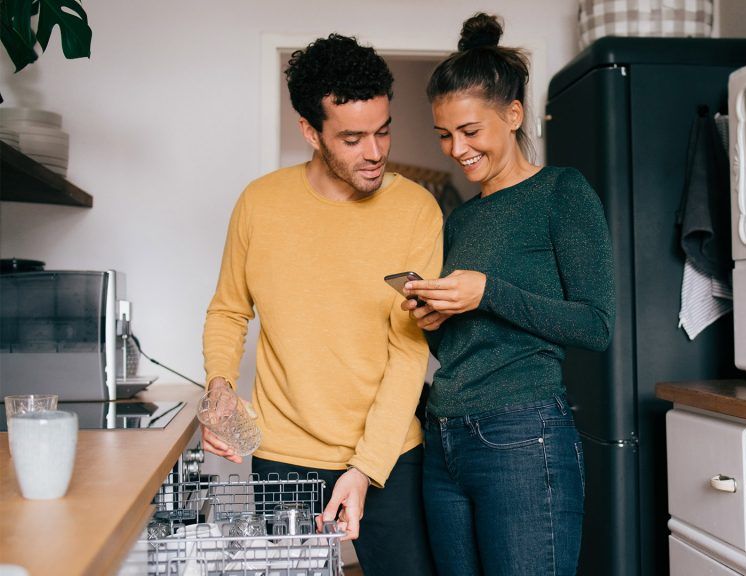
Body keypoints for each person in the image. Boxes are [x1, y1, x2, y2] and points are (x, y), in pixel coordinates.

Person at [201, 33, 440, 576]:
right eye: (352, 138)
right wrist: (219, 386)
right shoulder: (260, 204)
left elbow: (408, 354)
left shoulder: (416, 210)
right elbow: (228, 310)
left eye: (383, 131)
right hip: (284, 458)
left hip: (392, 457)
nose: (375, 152)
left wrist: (365, 468)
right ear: (310, 131)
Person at [402, 13, 615, 576]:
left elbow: (596, 325)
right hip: (442, 436)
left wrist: (488, 291)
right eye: (444, 135)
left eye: (470, 131)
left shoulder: (561, 193)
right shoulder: (460, 220)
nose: (456, 149)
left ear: (513, 115)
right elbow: (467, 344)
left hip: (522, 436)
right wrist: (435, 322)